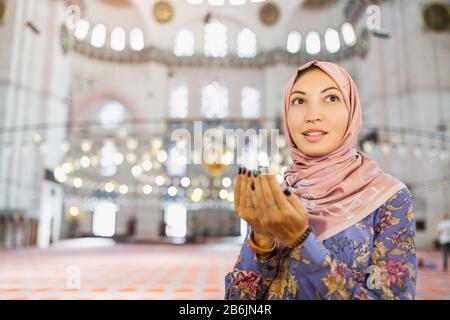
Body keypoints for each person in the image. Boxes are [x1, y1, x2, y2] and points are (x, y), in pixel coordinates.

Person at [225, 60, 416, 300]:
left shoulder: (388, 197)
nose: (312, 115)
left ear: (352, 110)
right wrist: (262, 238)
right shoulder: (279, 197)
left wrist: (301, 242)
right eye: (299, 101)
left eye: (332, 98)